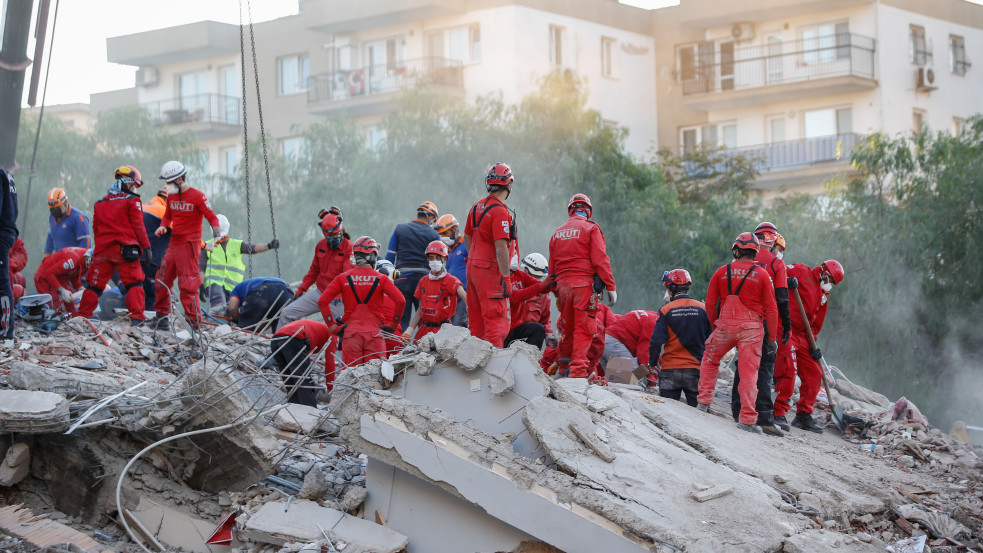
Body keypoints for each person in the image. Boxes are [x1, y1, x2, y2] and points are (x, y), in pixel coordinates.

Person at [696, 232, 779, 435]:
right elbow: (772, 309)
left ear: (737, 250)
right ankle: (747, 420)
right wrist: (772, 338)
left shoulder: (722, 271)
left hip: (725, 325)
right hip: (752, 330)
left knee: (710, 359)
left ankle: (703, 403)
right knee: (749, 374)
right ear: (755, 252)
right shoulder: (762, 275)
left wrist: (717, 325)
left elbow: (709, 303)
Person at [730, 221, 790, 436]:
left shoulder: (739, 260)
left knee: (742, 365)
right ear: (772, 239)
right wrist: (785, 326)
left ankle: (737, 410)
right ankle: (764, 416)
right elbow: (782, 300)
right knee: (764, 367)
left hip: (737, 318)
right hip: (763, 321)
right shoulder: (776, 264)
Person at [548, 193, 617, 378]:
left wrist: (557, 292)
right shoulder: (591, 229)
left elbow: (552, 271)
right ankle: (578, 371)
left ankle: (564, 368)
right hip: (584, 287)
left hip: (563, 288)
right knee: (584, 328)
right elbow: (600, 260)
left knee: (566, 327)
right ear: (588, 211)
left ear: (570, 210)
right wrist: (610, 286)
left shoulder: (557, 233)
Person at [774, 260, 845, 434]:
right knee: (788, 370)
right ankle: (777, 412)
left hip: (803, 336)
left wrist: (813, 346)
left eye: (833, 284)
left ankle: (804, 415)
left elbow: (814, 325)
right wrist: (786, 281)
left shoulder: (823, 297)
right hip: (784, 327)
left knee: (815, 372)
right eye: (829, 280)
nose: (830, 285)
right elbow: (776, 271)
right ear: (823, 272)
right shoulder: (800, 271)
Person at [78, 166, 152, 326]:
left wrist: (99, 249)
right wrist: (146, 247)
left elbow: (96, 228)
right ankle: (137, 318)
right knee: (134, 283)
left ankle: (82, 317)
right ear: (128, 183)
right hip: (125, 250)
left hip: (103, 252)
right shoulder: (132, 201)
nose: (134, 189)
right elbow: (139, 226)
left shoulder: (100, 203)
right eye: (134, 186)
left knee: (94, 285)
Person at [153, 161, 224, 330]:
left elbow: (212, 218)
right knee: (161, 279)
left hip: (189, 246)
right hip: (174, 245)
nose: (166, 185)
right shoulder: (170, 196)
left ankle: (194, 324)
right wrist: (163, 225)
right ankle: (161, 318)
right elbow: (167, 216)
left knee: (188, 285)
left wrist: (217, 235)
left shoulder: (198, 196)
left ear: (178, 180)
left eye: (168, 182)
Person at [319, 236, 405, 369]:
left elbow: (322, 301)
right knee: (374, 376)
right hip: (375, 336)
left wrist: (333, 327)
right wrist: (393, 324)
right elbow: (401, 300)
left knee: (350, 375)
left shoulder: (343, 278)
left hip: (351, 336)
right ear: (372, 257)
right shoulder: (381, 278)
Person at [465, 163, 518, 348]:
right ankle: (494, 371)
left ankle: (474, 369)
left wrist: (475, 258)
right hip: (489, 271)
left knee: (477, 323)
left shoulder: (475, 207)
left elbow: (468, 237)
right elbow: (501, 247)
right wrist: (506, 277)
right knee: (496, 322)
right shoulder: (500, 212)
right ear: (509, 185)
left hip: (472, 268)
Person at [277, 212, 353, 330]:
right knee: (287, 314)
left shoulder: (349, 249)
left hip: (338, 299)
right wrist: (302, 289)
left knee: (346, 328)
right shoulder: (321, 245)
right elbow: (313, 271)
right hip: (319, 293)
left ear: (341, 230)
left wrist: (339, 295)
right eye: (329, 237)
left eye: (335, 235)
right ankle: (280, 346)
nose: (332, 239)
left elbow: (347, 278)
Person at [649, 269, 712, 406]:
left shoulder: (666, 310)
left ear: (671, 287)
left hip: (670, 370)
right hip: (696, 371)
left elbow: (656, 342)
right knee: (698, 416)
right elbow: (711, 340)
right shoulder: (704, 309)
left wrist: (652, 362)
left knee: (669, 414)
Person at [200, 214, 279, 310]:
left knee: (231, 311)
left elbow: (253, 248)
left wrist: (269, 245)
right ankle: (218, 321)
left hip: (233, 287)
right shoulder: (207, 246)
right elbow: (201, 267)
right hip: (214, 284)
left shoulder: (237, 244)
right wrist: (201, 284)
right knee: (219, 308)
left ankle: (228, 323)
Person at [386, 201, 440, 328]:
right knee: (425, 321)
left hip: (401, 279)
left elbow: (390, 257)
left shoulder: (400, 229)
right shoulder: (433, 234)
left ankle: (400, 347)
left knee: (401, 321)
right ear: (431, 217)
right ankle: (423, 347)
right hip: (424, 282)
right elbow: (439, 259)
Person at [404, 240, 466, 340]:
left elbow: (466, 298)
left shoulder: (451, 281)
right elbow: (420, 309)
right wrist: (410, 329)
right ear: (427, 259)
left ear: (444, 259)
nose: (434, 261)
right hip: (424, 331)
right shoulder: (423, 281)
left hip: (444, 330)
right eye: (431, 258)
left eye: (438, 258)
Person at [271, 320, 334, 407]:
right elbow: (330, 363)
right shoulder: (333, 334)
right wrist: (331, 389)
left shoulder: (317, 330)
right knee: (303, 380)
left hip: (275, 339)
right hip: (294, 337)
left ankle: (293, 407)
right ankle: (309, 411)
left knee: (290, 379)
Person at [504, 253, 555, 349]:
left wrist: (548, 334)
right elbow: (514, 297)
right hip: (506, 331)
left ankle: (529, 359)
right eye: (535, 276)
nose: (537, 279)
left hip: (524, 336)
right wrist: (539, 287)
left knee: (538, 329)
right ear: (525, 271)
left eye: (540, 277)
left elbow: (545, 322)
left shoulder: (544, 297)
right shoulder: (511, 280)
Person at [435, 214, 468, 327]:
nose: (442, 237)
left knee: (459, 326)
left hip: (465, 295)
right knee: (450, 327)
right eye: (440, 234)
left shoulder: (466, 244)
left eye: (445, 233)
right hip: (452, 297)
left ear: (455, 229)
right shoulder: (448, 250)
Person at [33, 247, 88, 315]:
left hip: (59, 278)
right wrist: (62, 290)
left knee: (73, 303)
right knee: (57, 309)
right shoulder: (74, 260)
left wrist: (80, 287)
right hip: (45, 279)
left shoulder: (85, 263)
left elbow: (73, 275)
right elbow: (49, 273)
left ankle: (74, 322)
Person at [601, 309, 659, 373]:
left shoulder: (651, 315)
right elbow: (643, 354)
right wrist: (650, 373)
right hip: (614, 344)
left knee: (614, 379)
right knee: (636, 375)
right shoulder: (655, 324)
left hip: (604, 341)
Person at [227, 277, 293, 333]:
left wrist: (240, 321)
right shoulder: (249, 284)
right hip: (287, 292)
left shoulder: (237, 289)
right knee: (279, 333)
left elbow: (232, 308)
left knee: (243, 332)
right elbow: (267, 322)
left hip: (264, 290)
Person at [141, 188, 170, 310]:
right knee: (152, 294)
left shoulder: (142, 206)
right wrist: (204, 245)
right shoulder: (163, 211)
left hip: (135, 257)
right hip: (151, 259)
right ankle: (150, 320)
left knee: (135, 289)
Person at [44, 187, 91, 257]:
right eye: (52, 209)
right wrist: (47, 254)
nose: (55, 211)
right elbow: (51, 235)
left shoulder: (78, 217)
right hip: (60, 262)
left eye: (58, 207)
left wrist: (81, 262)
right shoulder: (52, 217)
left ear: (65, 203)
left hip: (76, 262)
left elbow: (86, 243)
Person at [0, 167, 18, 339]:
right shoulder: (7, 174)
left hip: (2, 233)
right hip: (8, 231)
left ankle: (6, 330)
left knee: (2, 281)